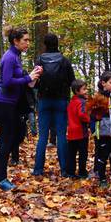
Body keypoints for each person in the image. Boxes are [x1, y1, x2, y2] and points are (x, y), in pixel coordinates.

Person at [0, 26, 42, 191]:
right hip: (5, 104)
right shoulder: (10, 57)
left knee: (18, 136)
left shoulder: (16, 56)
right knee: (7, 140)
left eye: (29, 40)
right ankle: (0, 178)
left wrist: (32, 76)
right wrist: (28, 78)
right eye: (25, 40)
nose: (28, 43)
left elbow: (19, 80)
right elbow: (6, 82)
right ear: (15, 41)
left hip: (14, 104)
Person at [32, 33, 76, 177]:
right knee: (62, 135)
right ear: (57, 44)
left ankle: (38, 170)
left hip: (44, 100)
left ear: (45, 44)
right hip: (61, 100)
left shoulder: (40, 60)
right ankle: (64, 170)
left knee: (43, 135)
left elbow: (35, 82)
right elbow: (72, 82)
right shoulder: (64, 61)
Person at [90, 71, 111, 187]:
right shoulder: (97, 98)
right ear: (103, 83)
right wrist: (94, 130)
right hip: (101, 133)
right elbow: (92, 117)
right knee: (102, 155)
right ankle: (102, 178)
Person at [66, 79, 90, 179]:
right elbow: (82, 114)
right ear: (77, 91)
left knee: (71, 154)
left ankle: (70, 172)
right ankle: (82, 172)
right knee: (83, 154)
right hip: (81, 133)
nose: (86, 91)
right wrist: (90, 120)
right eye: (84, 89)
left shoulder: (71, 102)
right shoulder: (82, 102)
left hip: (71, 133)